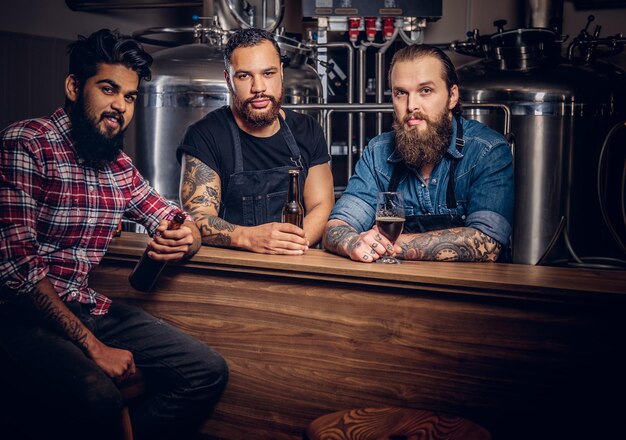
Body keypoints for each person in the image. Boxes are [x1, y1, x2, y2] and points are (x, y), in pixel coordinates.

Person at [0, 29, 228, 440]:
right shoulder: (27, 143)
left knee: (205, 371)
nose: (120, 106)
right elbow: (19, 269)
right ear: (73, 87)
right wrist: (94, 349)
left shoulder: (117, 167)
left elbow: (173, 216)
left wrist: (186, 235)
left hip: (87, 307)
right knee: (99, 397)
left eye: (130, 96)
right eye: (108, 90)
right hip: (18, 317)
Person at [323, 44, 514, 263]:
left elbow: (488, 243)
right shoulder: (377, 153)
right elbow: (337, 226)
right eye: (401, 93)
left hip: (469, 292)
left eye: (425, 91)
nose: (411, 105)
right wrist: (352, 242)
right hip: (397, 291)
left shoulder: (487, 150)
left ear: (452, 96)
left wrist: (386, 244)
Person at [177, 28, 334, 255]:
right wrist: (249, 238)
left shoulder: (308, 130)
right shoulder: (204, 136)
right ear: (228, 80)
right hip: (232, 273)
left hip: (297, 264)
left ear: (281, 72)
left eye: (268, 73)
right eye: (244, 76)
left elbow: (322, 205)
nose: (258, 88)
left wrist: (288, 247)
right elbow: (199, 217)